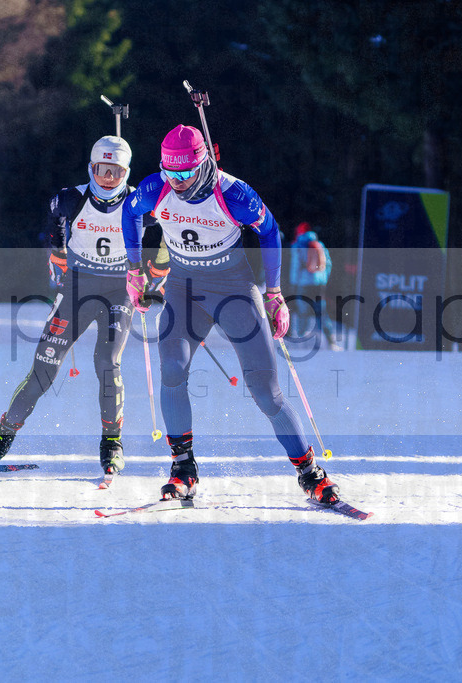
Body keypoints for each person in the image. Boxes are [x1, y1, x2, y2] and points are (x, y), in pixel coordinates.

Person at [120, 124, 343, 505]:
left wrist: (274, 294)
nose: (176, 182)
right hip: (184, 290)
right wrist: (134, 268)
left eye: (185, 174)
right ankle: (183, 468)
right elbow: (131, 210)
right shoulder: (156, 187)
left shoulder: (233, 193)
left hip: (235, 291)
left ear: (203, 164)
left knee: (265, 391)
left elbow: (270, 232)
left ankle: (310, 473)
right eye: (169, 172)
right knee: (172, 370)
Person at [0, 135, 166, 479]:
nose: (107, 178)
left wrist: (155, 273)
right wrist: (57, 253)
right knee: (44, 366)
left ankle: (111, 443)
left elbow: (165, 231)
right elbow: (56, 219)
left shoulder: (138, 203)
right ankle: (1, 439)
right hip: (78, 287)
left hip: (120, 289)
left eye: (115, 171)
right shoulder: (70, 198)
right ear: (91, 168)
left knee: (106, 361)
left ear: (126, 172)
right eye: (101, 170)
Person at [289, 223, 341, 350]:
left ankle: (301, 340)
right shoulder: (320, 245)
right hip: (319, 284)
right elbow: (328, 264)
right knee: (322, 312)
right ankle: (331, 341)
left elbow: (296, 266)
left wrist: (293, 283)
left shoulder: (298, 246)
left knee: (303, 311)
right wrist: (323, 280)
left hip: (303, 284)